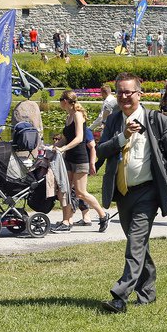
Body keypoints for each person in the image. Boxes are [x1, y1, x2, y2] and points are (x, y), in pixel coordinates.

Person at [97, 73, 167, 311]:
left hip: (148, 192)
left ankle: (120, 295)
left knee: (135, 243)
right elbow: (100, 152)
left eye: (129, 92)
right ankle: (147, 292)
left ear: (140, 94)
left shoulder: (157, 120)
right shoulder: (114, 121)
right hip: (123, 192)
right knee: (139, 244)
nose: (124, 97)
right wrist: (122, 137)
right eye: (120, 92)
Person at [52, 91, 110, 232]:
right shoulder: (68, 117)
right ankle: (66, 222)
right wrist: (53, 147)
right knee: (64, 190)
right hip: (69, 158)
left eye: (60, 99)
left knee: (80, 192)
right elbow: (65, 138)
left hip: (79, 158)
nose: (59, 102)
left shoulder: (78, 115)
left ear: (65, 101)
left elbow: (79, 138)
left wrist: (63, 148)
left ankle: (103, 215)